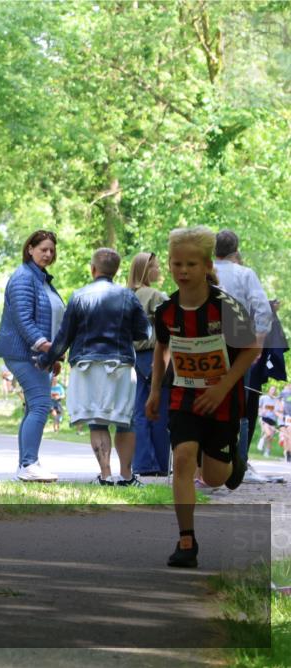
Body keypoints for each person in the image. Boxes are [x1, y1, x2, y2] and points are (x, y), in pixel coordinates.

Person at [146, 226, 257, 568]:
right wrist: (154, 392)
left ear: (207, 266)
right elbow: (162, 347)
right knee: (182, 459)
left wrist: (222, 387)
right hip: (183, 396)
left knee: (213, 477)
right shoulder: (166, 311)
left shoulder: (225, 308)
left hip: (222, 399)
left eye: (191, 264)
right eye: (176, 264)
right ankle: (186, 540)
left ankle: (232, 460)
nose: (182, 271)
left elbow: (251, 348)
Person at [38, 249, 150, 486]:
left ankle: (106, 475)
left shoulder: (79, 296)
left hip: (86, 365)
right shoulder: (128, 297)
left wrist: (46, 361)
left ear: (93, 269)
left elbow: (63, 337)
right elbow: (143, 332)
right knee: (125, 420)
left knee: (97, 421)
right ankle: (127, 476)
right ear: (116, 271)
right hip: (119, 364)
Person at [0, 230, 64, 482]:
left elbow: (47, 319)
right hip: (23, 352)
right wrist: (48, 349)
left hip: (37, 353)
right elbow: (24, 320)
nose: (48, 254)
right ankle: (29, 463)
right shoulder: (23, 277)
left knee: (35, 406)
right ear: (30, 248)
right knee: (42, 405)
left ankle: (27, 465)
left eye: (52, 250)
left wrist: (53, 356)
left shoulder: (42, 279)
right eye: (43, 248)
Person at [214, 230, 274, 482]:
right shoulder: (244, 274)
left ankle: (207, 464)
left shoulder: (203, 272)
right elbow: (263, 309)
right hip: (239, 343)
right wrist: (258, 343)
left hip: (207, 342)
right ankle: (238, 464)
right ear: (235, 249)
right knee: (240, 403)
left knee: (206, 399)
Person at [127, 252, 171, 476]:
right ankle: (161, 464)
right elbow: (173, 324)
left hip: (132, 359)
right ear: (145, 270)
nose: (159, 270)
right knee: (158, 411)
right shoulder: (154, 295)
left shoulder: (125, 295)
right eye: (155, 266)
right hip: (152, 356)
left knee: (139, 412)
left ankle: (143, 463)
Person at [257, 386, 280, 457]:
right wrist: (261, 412)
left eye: (274, 390)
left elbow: (277, 410)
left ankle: (267, 452)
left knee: (270, 438)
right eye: (272, 389)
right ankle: (261, 440)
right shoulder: (263, 398)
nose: (273, 391)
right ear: (269, 390)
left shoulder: (276, 400)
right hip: (264, 418)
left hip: (272, 420)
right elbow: (258, 407)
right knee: (268, 434)